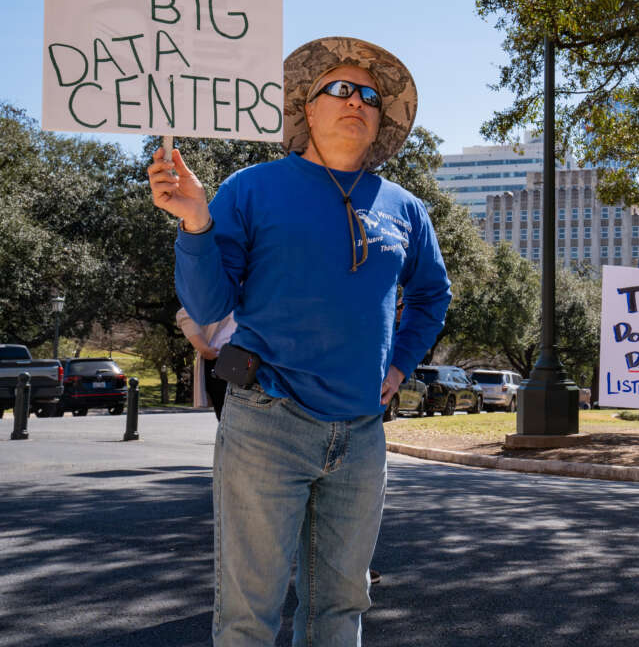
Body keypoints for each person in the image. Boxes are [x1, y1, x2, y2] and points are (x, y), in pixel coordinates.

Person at [147, 36, 451, 645]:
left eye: (369, 95)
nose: (356, 101)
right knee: (249, 613)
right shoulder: (249, 189)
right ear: (306, 109)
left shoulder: (406, 208)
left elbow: (432, 296)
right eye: (339, 89)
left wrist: (400, 365)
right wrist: (196, 225)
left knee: (341, 608)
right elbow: (208, 307)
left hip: (363, 431)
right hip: (267, 421)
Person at [176, 307, 236, 419]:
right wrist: (203, 347)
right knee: (232, 427)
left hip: (263, 363)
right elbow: (186, 313)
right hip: (223, 362)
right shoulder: (221, 289)